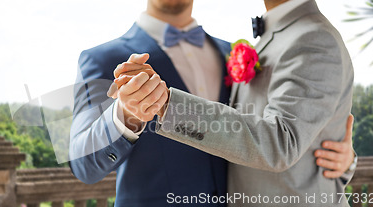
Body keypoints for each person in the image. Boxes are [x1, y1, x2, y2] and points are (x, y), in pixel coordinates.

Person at [70, 0, 355, 206]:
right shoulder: (101, 59)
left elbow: (280, 131)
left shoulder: (231, 53)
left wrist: (341, 158)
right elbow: (82, 164)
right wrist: (125, 115)